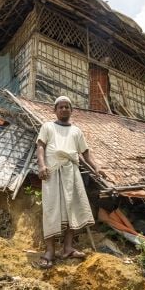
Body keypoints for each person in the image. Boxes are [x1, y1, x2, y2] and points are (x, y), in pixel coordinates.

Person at [36, 96, 104, 269]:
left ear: (71, 110)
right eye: (61, 107)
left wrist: (96, 168)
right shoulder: (47, 127)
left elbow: (86, 154)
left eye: (67, 107)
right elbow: (41, 146)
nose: (64, 109)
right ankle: (50, 251)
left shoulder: (76, 131)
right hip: (52, 172)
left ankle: (67, 248)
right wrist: (42, 165)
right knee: (51, 210)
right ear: (55, 110)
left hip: (71, 173)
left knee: (72, 208)